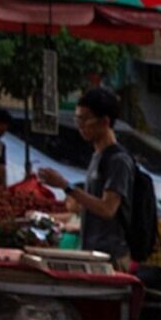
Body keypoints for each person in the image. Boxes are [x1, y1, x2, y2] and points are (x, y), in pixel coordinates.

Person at [37, 87, 133, 267]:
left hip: (109, 256)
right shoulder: (97, 156)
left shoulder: (118, 160)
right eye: (77, 118)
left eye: (84, 119)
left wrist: (66, 187)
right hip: (92, 250)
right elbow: (89, 208)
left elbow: (107, 209)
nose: (79, 125)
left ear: (104, 121)